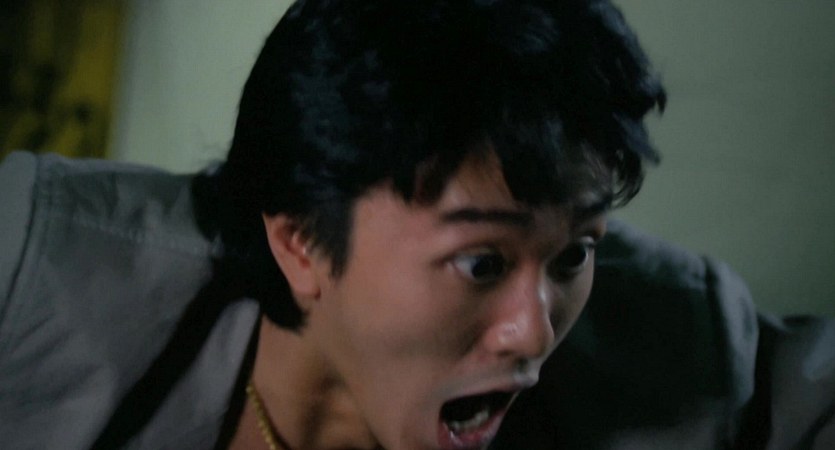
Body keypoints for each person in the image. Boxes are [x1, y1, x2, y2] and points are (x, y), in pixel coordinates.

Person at [1, 0, 833, 449]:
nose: (534, 330)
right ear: (298, 241)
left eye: (573, 252)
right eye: (480, 262)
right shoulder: (35, 275)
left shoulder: (669, 337)